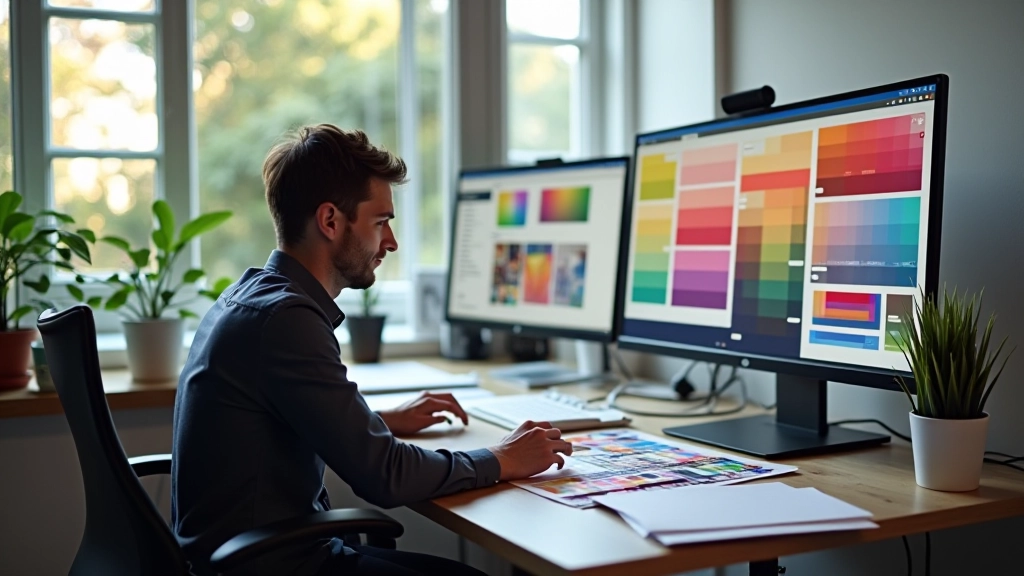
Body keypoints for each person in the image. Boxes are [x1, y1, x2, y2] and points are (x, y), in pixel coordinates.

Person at [171, 124, 572, 576]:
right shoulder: (287, 321)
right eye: (381, 222)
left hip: (248, 555)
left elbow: (281, 423)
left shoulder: (251, 296)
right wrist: (501, 459)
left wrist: (379, 422)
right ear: (330, 221)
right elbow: (386, 476)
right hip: (274, 565)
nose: (391, 242)